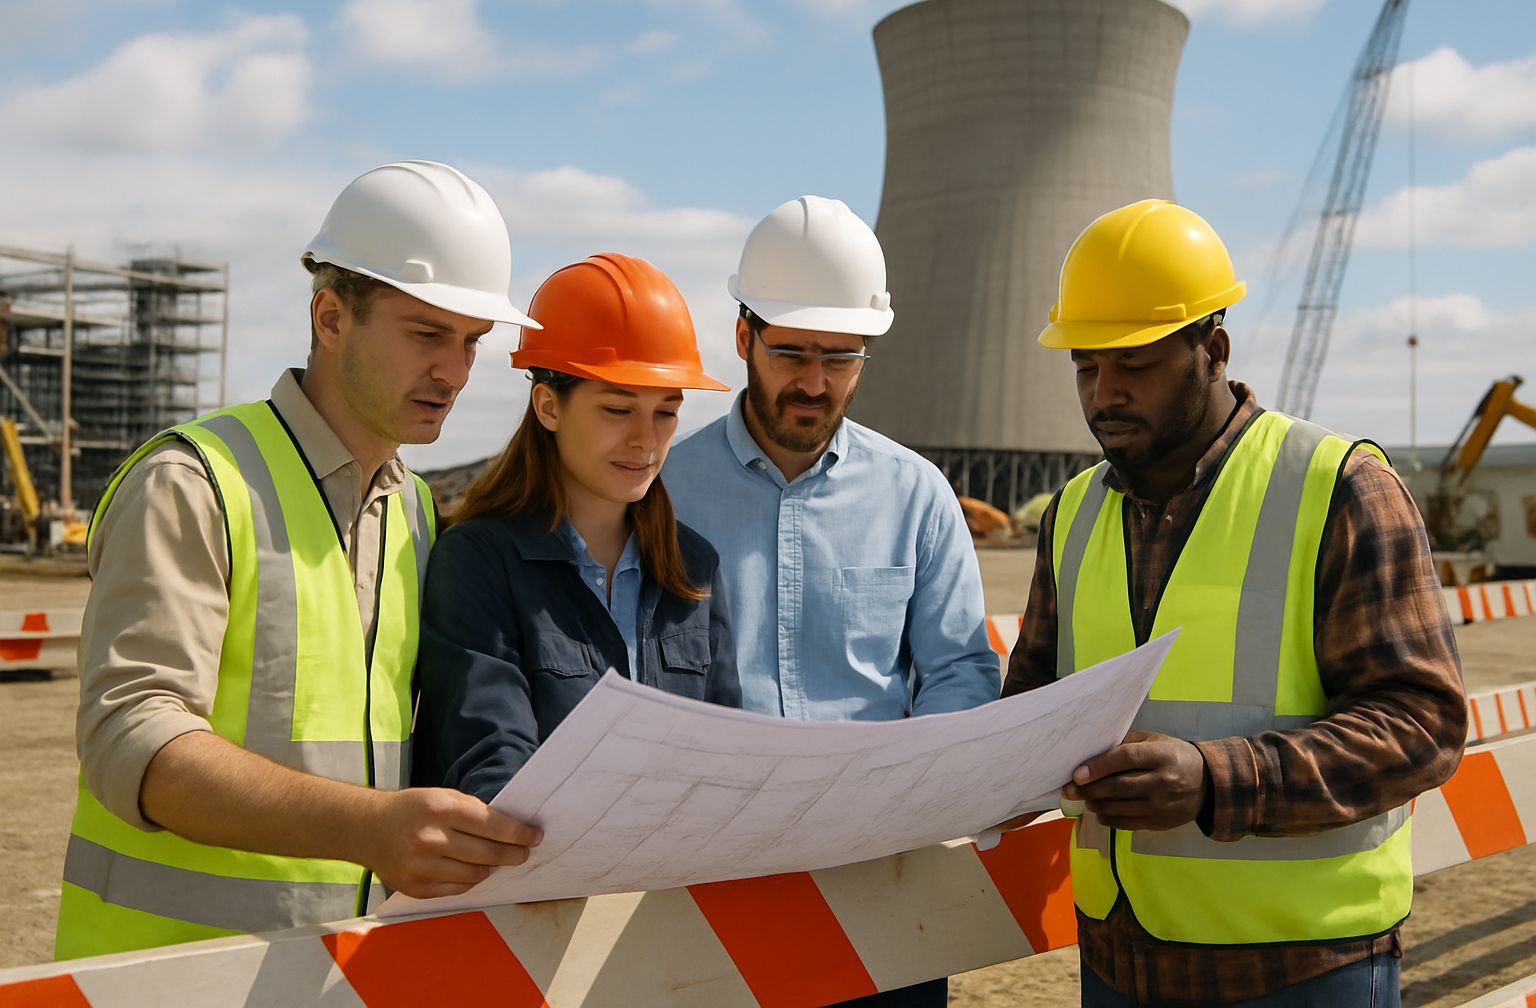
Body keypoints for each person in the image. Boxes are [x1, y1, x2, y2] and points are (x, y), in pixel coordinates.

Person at [57, 161, 544, 959]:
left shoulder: (414, 510)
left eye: (471, 343)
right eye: (426, 333)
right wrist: (372, 828)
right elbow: (129, 736)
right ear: (330, 318)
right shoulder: (195, 481)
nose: (454, 372)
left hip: (339, 974)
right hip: (160, 975)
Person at [1004, 199, 1467, 1007]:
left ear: (1211, 350)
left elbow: (1422, 724)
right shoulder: (1072, 513)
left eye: (1134, 364)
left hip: (1303, 968)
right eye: (1086, 365)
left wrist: (1218, 779)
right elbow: (1032, 703)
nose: (1103, 393)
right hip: (1120, 957)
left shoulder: (1338, 487)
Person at [664, 196, 999, 1008]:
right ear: (744, 338)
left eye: (841, 358)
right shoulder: (663, 490)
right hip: (712, 889)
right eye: (792, 353)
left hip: (883, 892)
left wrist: (912, 791)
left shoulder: (916, 495)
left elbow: (960, 669)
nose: (815, 383)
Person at [412, 253, 741, 802]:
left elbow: (727, 751)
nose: (646, 439)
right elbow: (489, 760)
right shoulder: (478, 560)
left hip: (668, 884)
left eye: (666, 412)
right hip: (539, 881)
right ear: (548, 406)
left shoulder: (694, 567)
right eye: (618, 409)